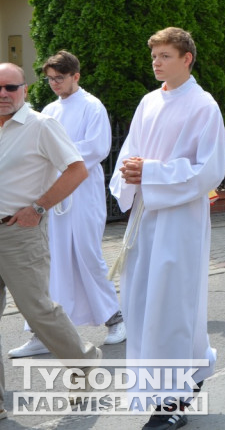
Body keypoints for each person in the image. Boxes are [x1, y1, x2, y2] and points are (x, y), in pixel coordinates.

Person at [108, 27, 225, 425]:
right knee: (142, 302)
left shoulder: (203, 106)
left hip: (180, 218)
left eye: (165, 56)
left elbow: (209, 170)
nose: (156, 63)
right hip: (146, 216)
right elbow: (131, 154)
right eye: (154, 56)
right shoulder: (147, 102)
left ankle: (171, 401)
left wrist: (152, 172)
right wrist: (130, 173)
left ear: (186, 58)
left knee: (173, 303)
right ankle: (190, 368)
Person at [0, 62, 102, 413]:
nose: (3, 94)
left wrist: (39, 208)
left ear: (25, 90)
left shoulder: (41, 126)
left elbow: (77, 169)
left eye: (11, 87)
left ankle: (84, 363)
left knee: (38, 310)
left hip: (19, 233)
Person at [9, 51, 124, 360]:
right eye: (49, 79)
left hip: (83, 193)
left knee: (86, 255)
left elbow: (98, 148)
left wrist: (57, 154)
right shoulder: (49, 109)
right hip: (53, 192)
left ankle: (115, 318)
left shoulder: (92, 106)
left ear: (76, 76)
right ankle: (41, 333)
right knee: (50, 263)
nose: (54, 84)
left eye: (59, 78)